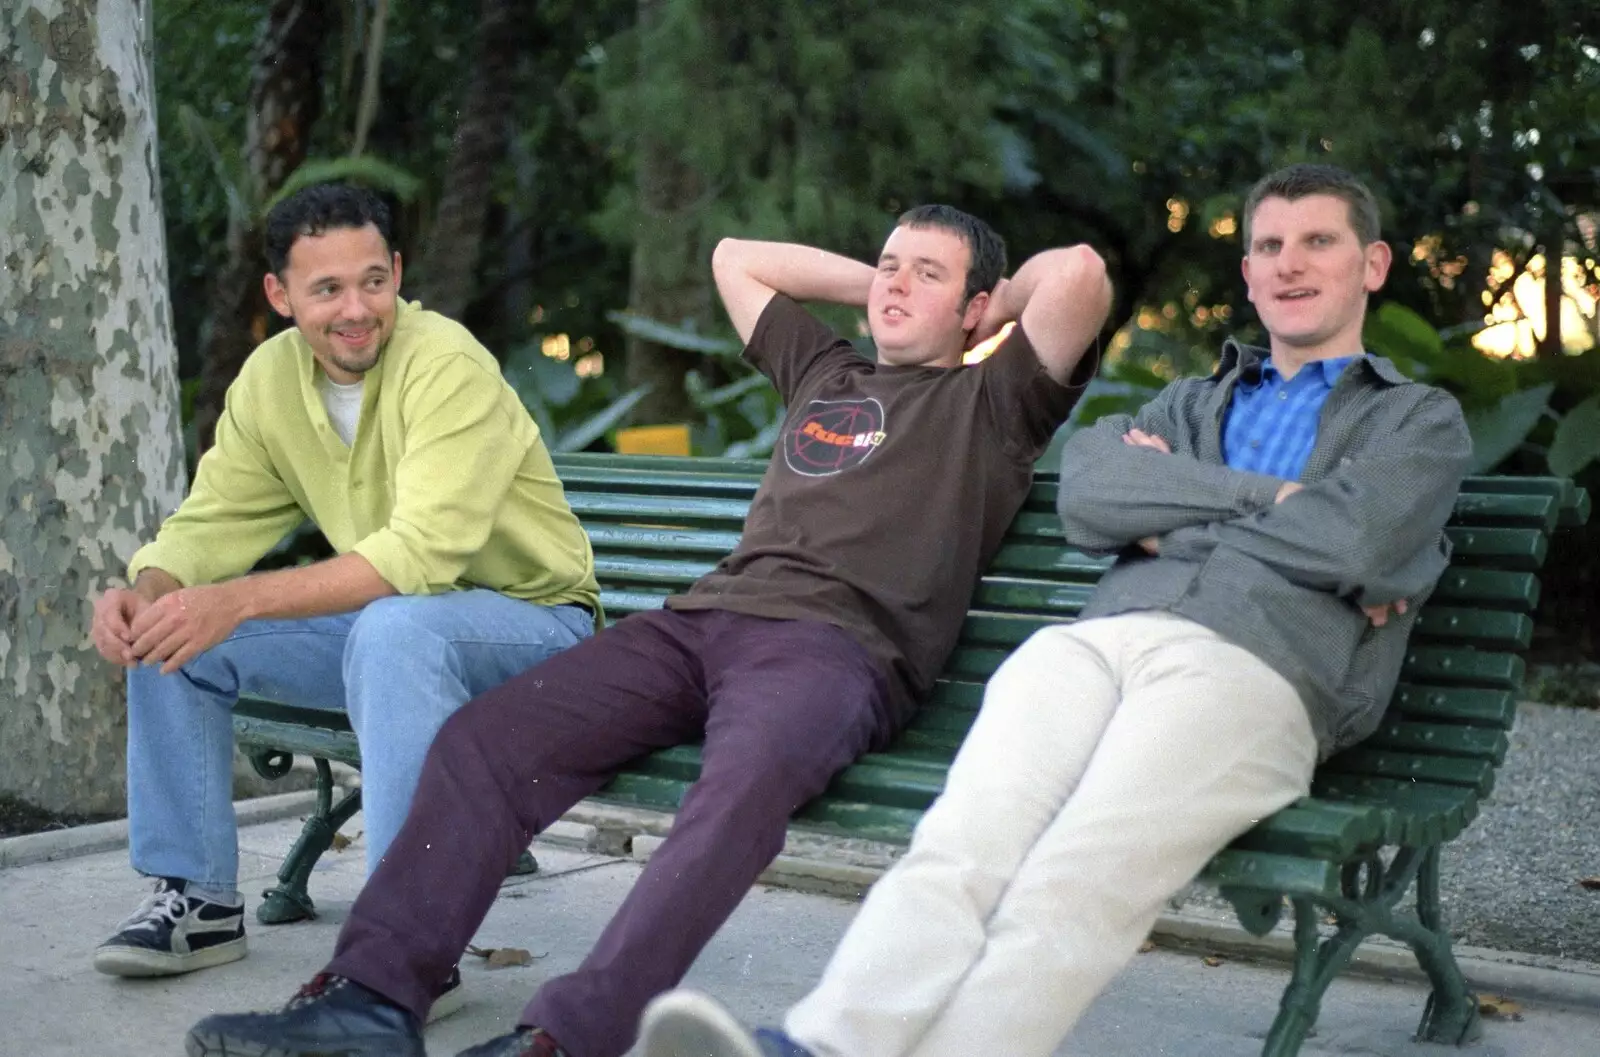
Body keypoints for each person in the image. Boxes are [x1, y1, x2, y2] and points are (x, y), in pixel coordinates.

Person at [183, 204, 1112, 1057]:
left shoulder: (995, 405)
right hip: (702, 624)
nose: (897, 284)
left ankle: (565, 1039)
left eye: (927, 275)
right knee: (486, 740)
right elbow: (735, 260)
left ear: (980, 307)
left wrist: (984, 322)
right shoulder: (828, 369)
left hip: (834, 652)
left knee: (733, 797)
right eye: (888, 266)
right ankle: (371, 1002)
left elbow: (1076, 274)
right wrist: (881, 284)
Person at [636, 162, 1474, 1057]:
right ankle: (819, 1046)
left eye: (1318, 241)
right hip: (1092, 646)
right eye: (1269, 245)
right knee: (957, 851)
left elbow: (1360, 542)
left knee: (1073, 884)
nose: (1289, 263)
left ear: (1373, 264)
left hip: (1254, 668)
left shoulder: (1414, 420)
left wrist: (1183, 504)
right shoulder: (1189, 401)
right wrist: (1280, 501)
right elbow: (1095, 496)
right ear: (1248, 271)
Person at [88, 184, 600, 994]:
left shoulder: (446, 363)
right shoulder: (271, 382)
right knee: (176, 631)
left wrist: (242, 599)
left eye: (373, 280)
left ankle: (406, 945)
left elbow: (421, 554)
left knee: (395, 627)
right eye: (326, 289)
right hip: (393, 635)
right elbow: (208, 522)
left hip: (537, 632)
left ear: (397, 271)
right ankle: (197, 898)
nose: (356, 308)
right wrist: (152, 587)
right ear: (280, 295)